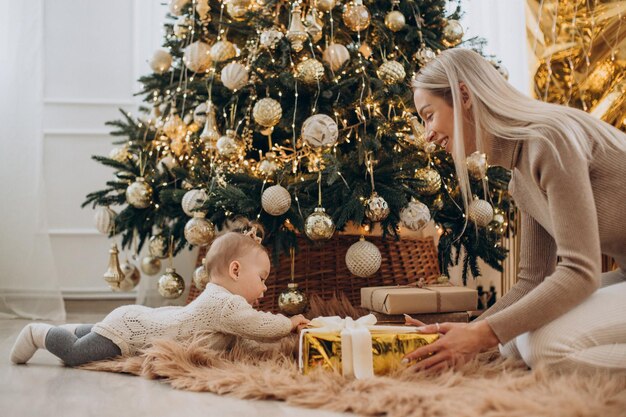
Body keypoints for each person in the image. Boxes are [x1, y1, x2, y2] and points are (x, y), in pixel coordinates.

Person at [403, 48, 626, 373]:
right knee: (511, 341)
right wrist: (470, 331)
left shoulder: (549, 140)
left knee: (547, 348)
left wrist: (480, 334)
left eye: (428, 115)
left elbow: (580, 271)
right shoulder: (520, 179)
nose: (428, 135)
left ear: (463, 95)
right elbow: (533, 280)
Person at [10, 221, 309, 366]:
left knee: (95, 333)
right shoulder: (224, 304)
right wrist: (289, 322)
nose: (265, 287)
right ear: (235, 270)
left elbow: (245, 339)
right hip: (132, 331)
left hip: (136, 318)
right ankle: (39, 333)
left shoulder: (222, 302)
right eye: (262, 278)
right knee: (78, 355)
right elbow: (259, 326)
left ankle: (70, 329)